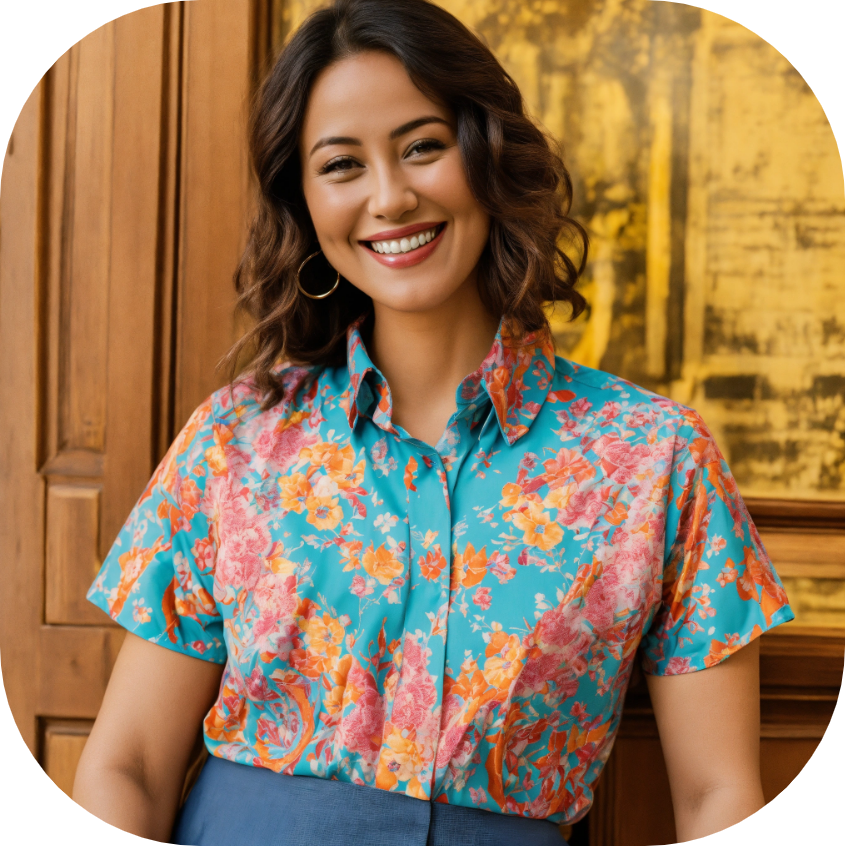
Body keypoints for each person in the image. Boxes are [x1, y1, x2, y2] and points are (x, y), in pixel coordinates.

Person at [72, 1, 794, 843]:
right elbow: (129, 766)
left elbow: (718, 798)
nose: (390, 196)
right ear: (302, 202)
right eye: (341, 165)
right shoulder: (236, 443)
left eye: (422, 146)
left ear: (487, 154)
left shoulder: (655, 460)